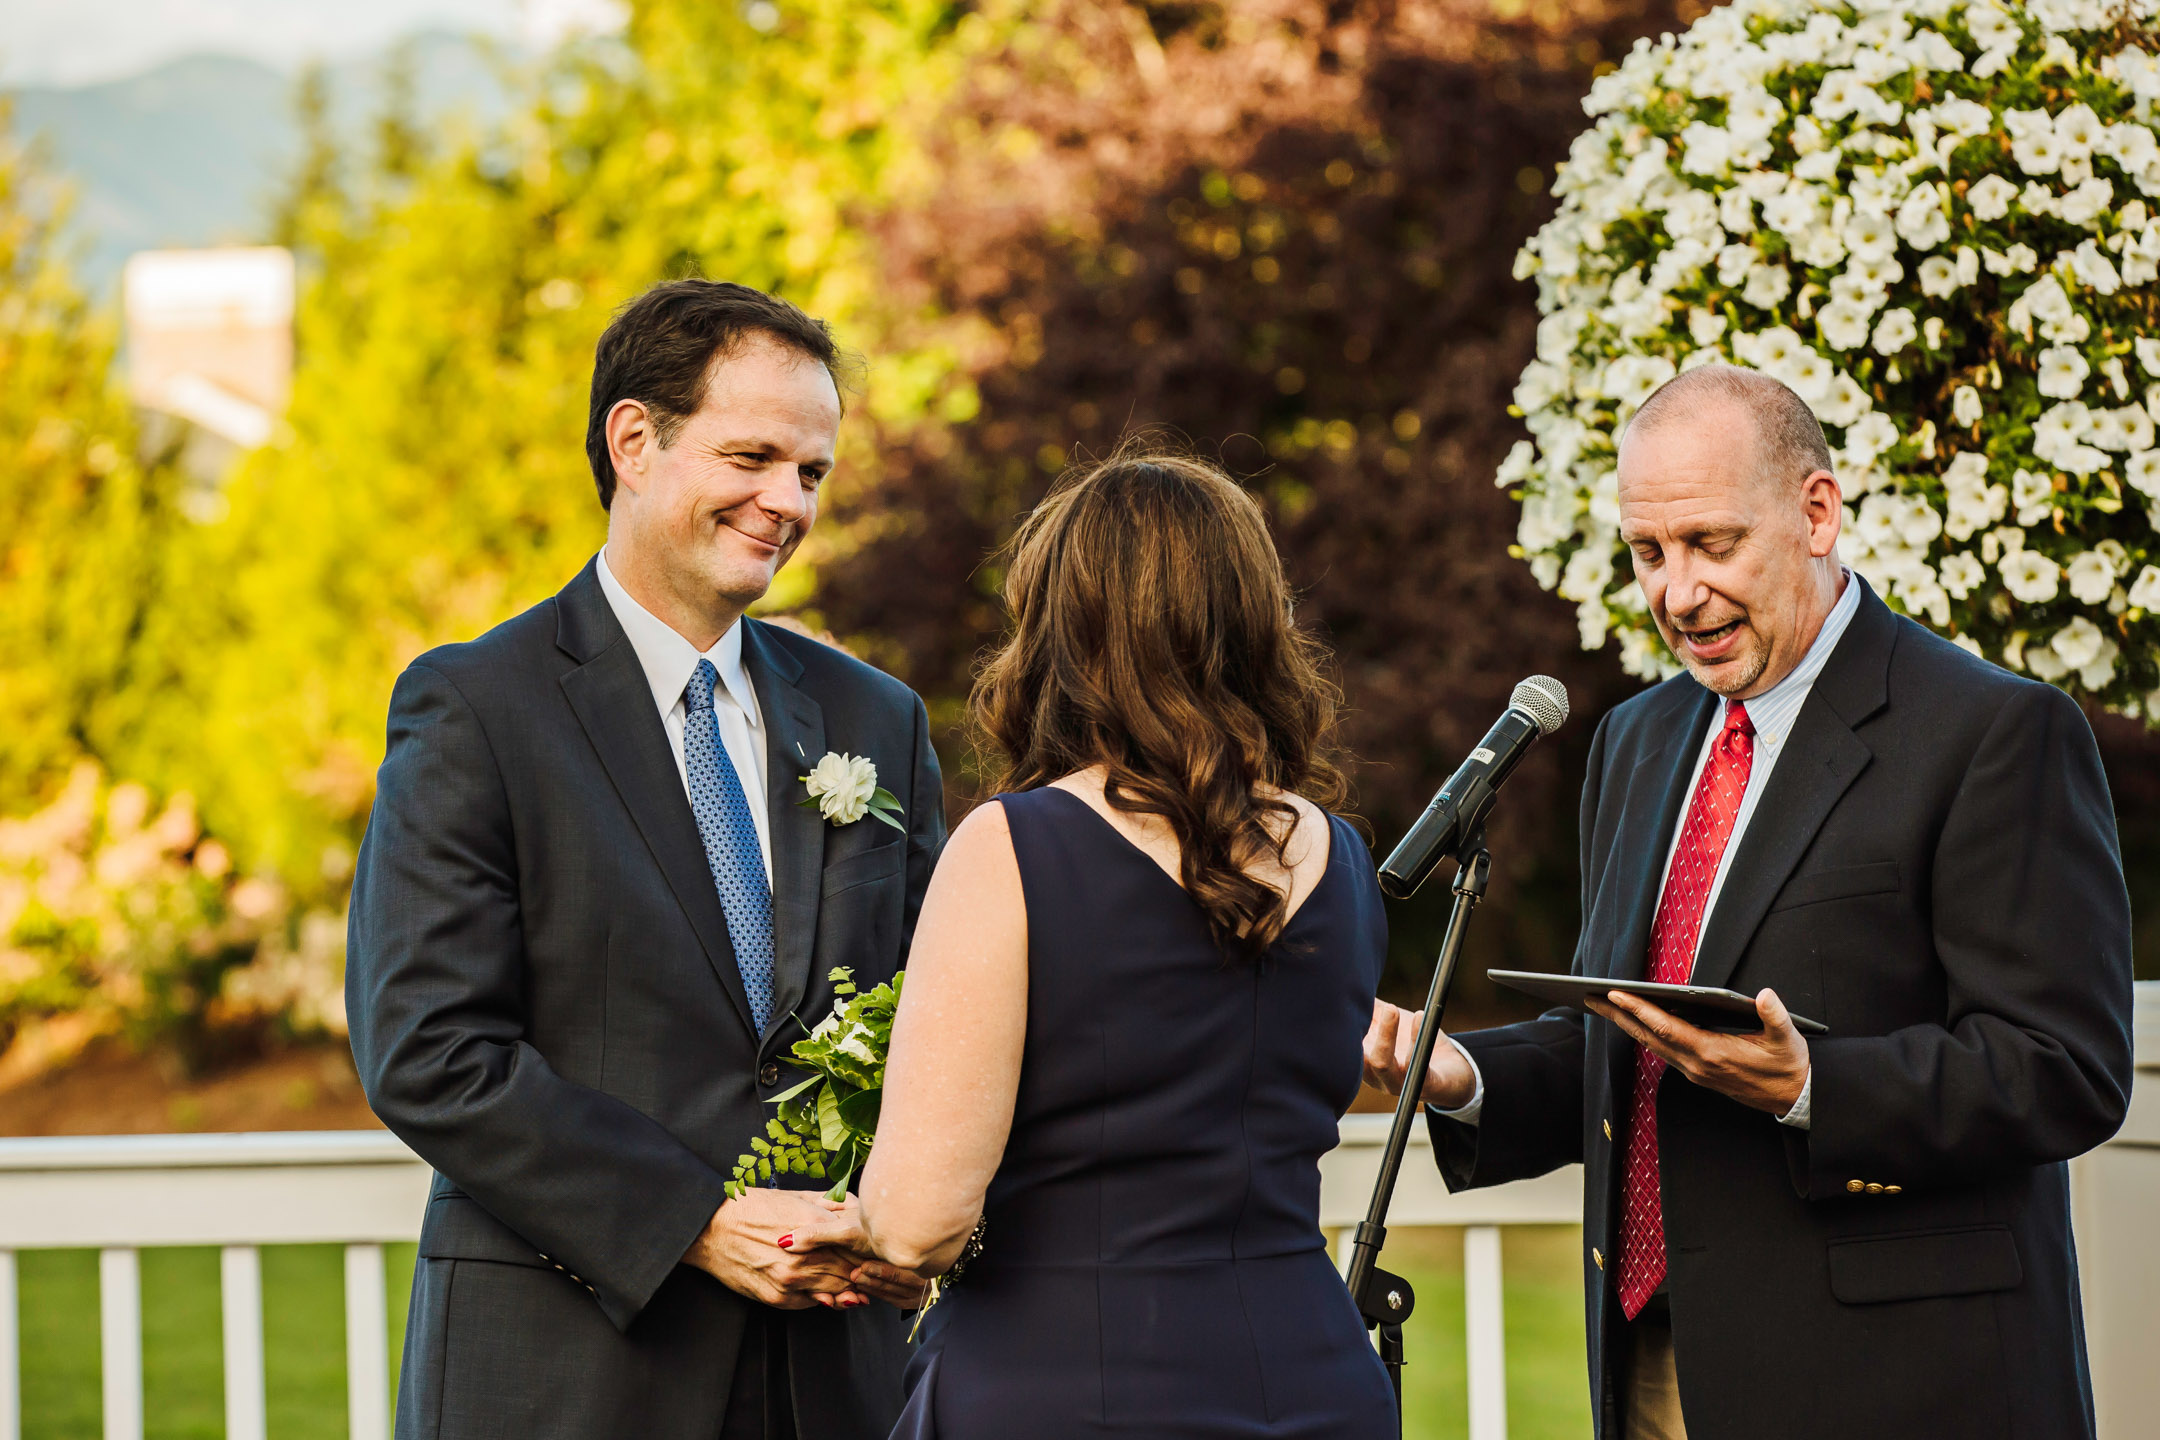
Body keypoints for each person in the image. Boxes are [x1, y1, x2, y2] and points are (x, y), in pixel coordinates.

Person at [1365, 364, 2134, 1440]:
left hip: (1898, 1386)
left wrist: (1815, 1086)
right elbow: (1636, 1035)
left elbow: (2067, 1069)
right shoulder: (1636, 743)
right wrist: (1463, 1074)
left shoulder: (1995, 733)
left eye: (1712, 544)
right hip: (1651, 1368)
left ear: (1818, 513)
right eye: (1649, 553)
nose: (1678, 593)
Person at [346, 280, 945, 1440]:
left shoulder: (877, 720)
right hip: (571, 1371)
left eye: (812, 473)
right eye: (756, 456)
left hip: (834, 1372)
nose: (788, 502)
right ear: (635, 440)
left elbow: (936, 1017)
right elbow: (428, 1049)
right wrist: (692, 1225)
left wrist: (919, 1221)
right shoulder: (477, 707)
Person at [782, 448, 1397, 1437]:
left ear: (1066, 635)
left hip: (1072, 1385)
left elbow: (919, 1221)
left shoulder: (1014, 846)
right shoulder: (1343, 856)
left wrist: (845, 1224)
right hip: (1316, 1379)